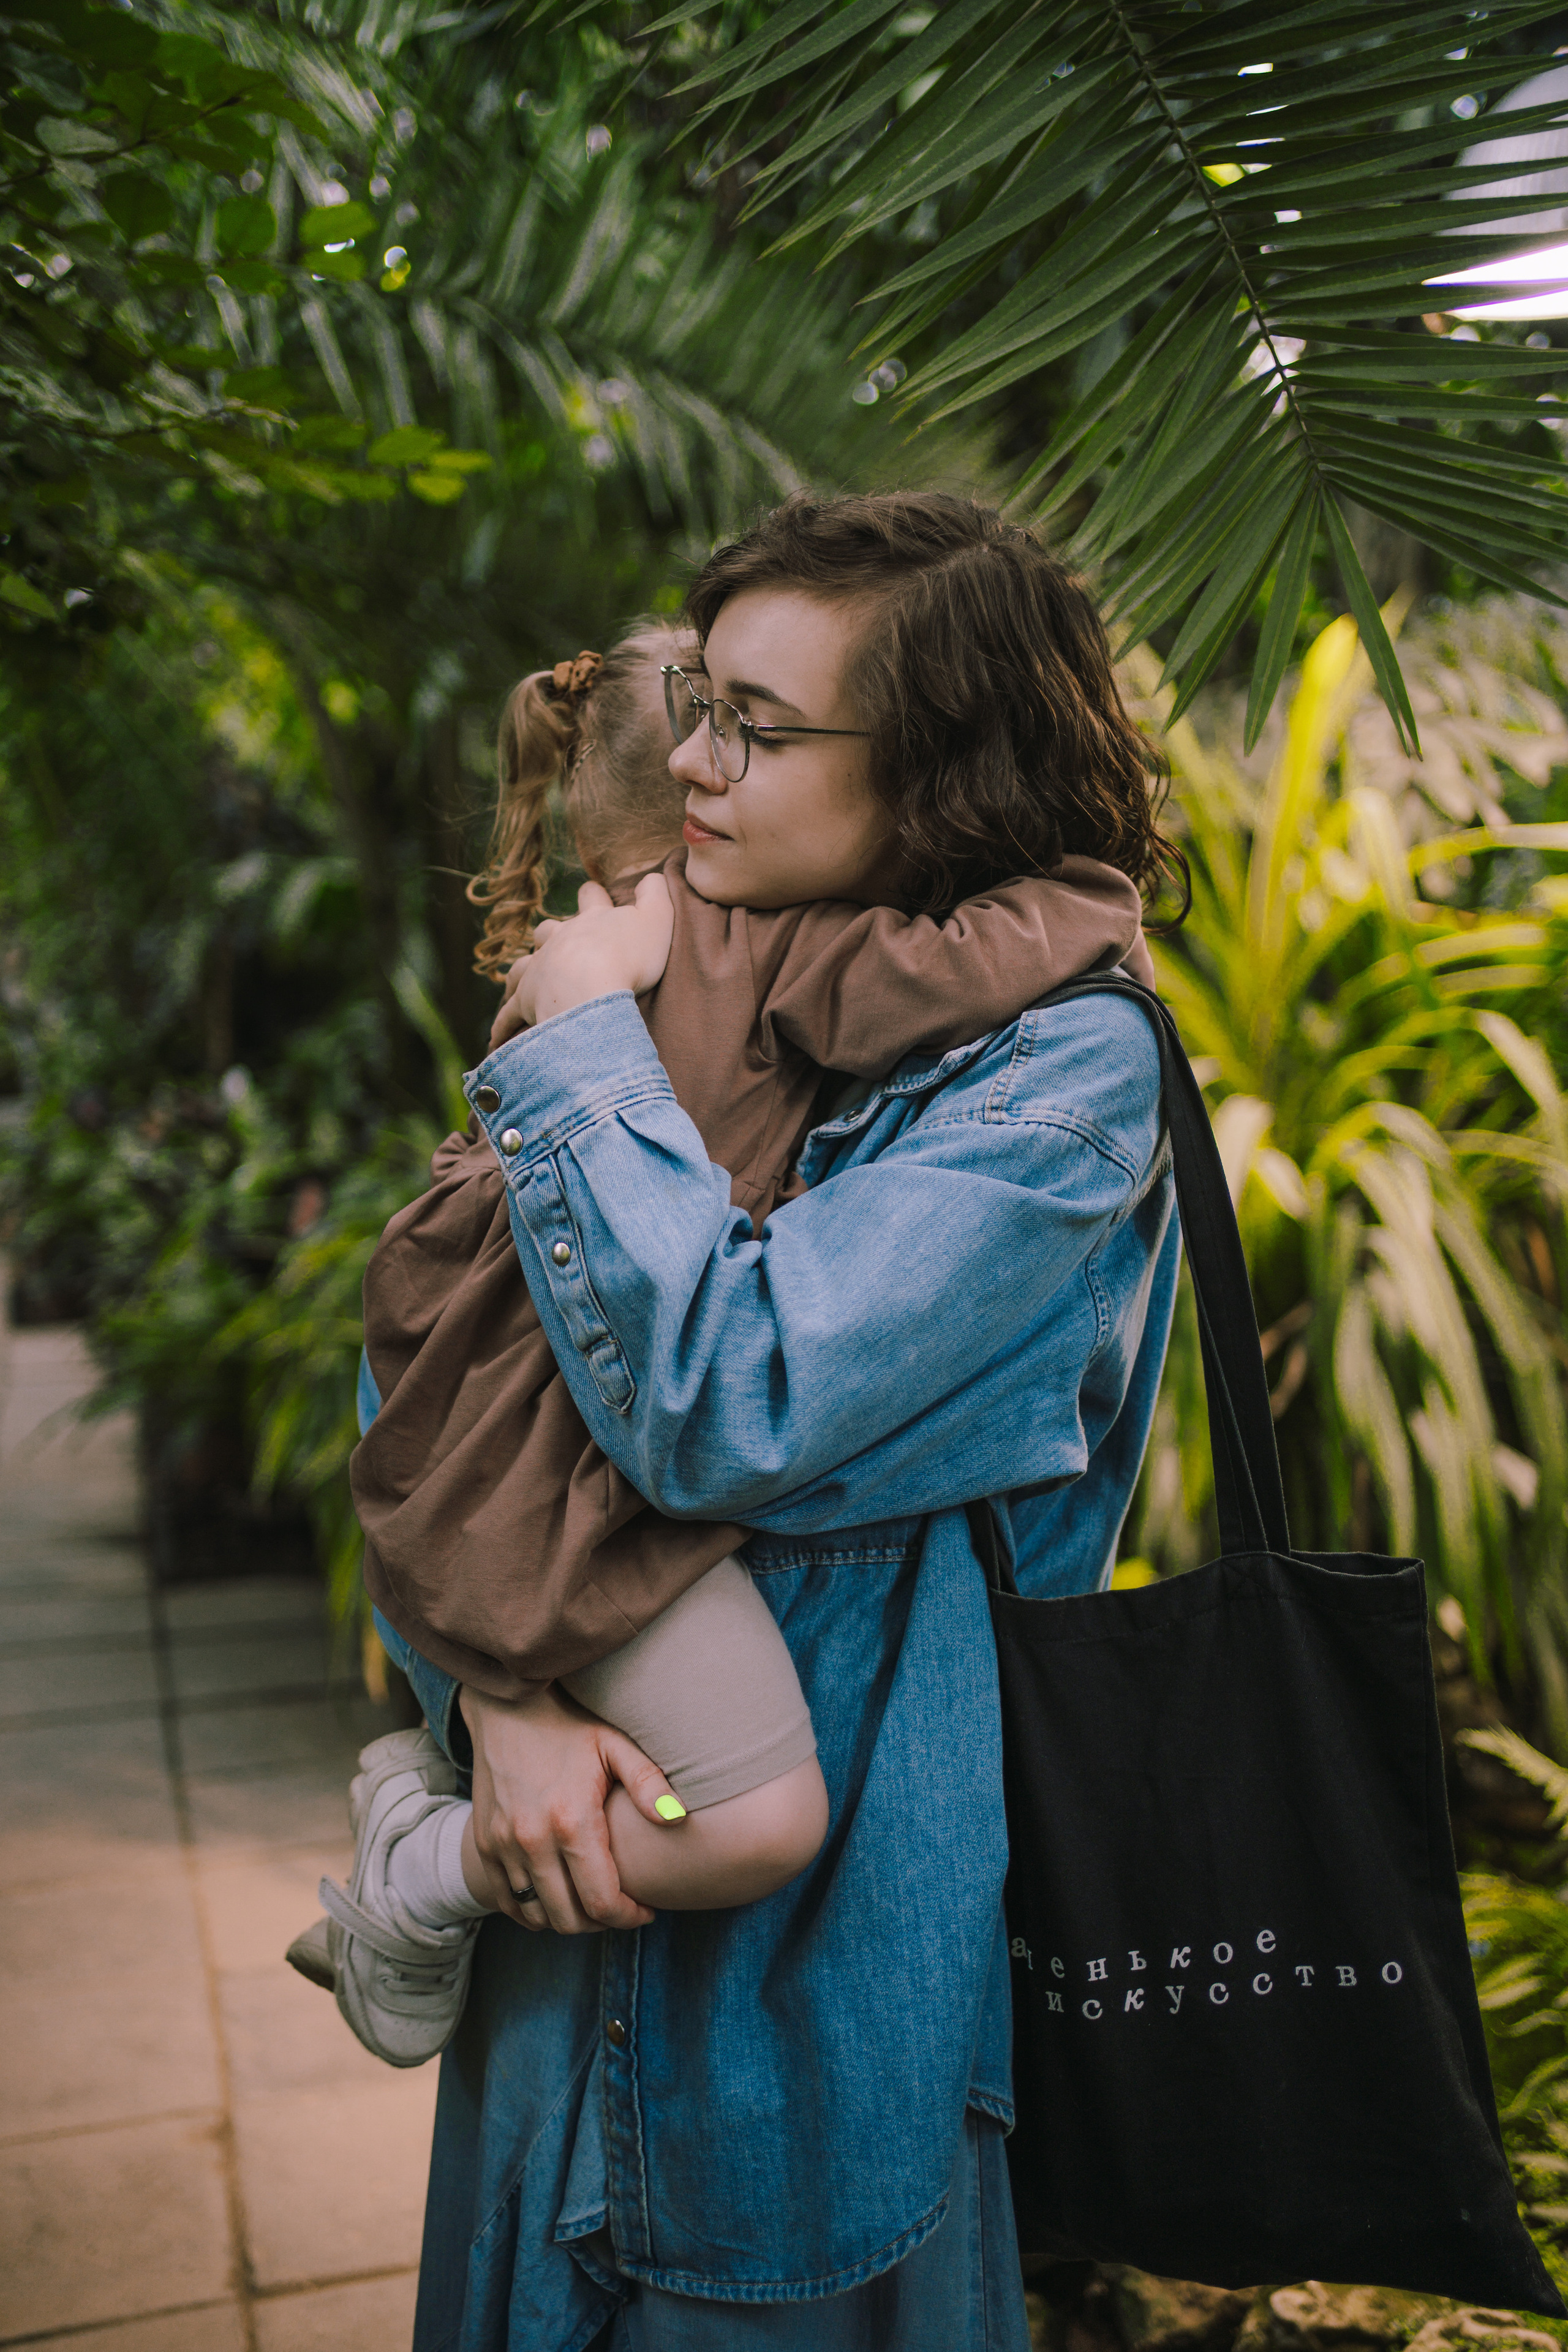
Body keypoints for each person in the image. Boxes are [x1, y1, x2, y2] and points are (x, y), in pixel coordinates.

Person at [388, 491, 1182, 2351]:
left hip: (803, 2013)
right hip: (553, 1906)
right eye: (700, 704)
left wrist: (572, 1056)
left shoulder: (1061, 1075)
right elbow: (438, 1369)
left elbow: (722, 1402)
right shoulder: (670, 961)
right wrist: (491, 1704)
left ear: (944, 769)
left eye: (754, 723)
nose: (688, 757)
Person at [292, 623, 1156, 2067]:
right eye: (742, 732)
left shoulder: (574, 965)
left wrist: (495, 1695)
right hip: (596, 1476)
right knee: (759, 1821)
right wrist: (1096, 894)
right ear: (704, 806)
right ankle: (429, 1873)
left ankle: (429, 1848)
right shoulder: (763, 942)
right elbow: (957, 969)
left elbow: (413, 1341)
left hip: (487, 1440)